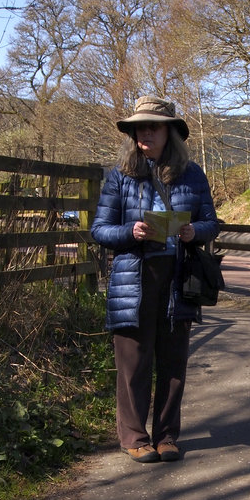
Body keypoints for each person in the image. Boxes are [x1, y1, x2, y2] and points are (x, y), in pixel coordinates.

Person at [91, 95, 220, 463]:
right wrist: (131, 231)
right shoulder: (120, 175)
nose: (144, 133)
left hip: (178, 277)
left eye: (153, 126)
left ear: (169, 132)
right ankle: (134, 436)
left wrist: (194, 231)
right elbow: (99, 230)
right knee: (133, 361)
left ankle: (166, 436)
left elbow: (211, 221)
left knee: (173, 361)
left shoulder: (192, 174)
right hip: (135, 276)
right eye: (139, 128)